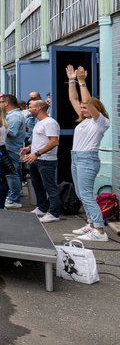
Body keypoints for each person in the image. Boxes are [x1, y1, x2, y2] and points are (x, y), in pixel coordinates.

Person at [66, 66, 110, 240]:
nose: (82, 109)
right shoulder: (85, 121)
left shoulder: (100, 122)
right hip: (76, 157)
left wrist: (82, 81)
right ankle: (91, 223)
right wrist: (71, 80)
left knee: (86, 194)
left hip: (87, 159)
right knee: (80, 192)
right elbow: (73, 98)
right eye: (82, 108)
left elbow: (87, 101)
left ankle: (99, 230)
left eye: (85, 108)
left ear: (94, 108)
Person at [22, 99, 61, 223]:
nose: (28, 108)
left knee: (50, 186)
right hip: (36, 158)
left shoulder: (50, 123)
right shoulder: (40, 122)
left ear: (38, 108)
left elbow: (54, 141)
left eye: (31, 106)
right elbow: (41, 139)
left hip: (46, 160)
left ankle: (54, 213)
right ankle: (42, 207)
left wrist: (37, 154)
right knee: (37, 184)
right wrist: (29, 148)